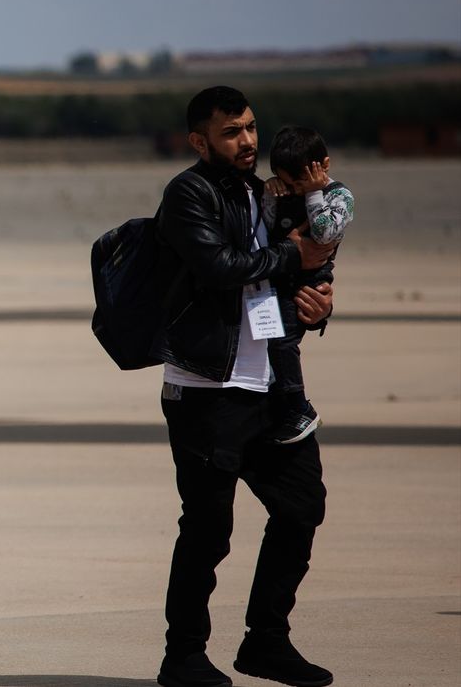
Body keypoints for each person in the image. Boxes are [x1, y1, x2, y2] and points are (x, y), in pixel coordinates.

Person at [152, 86, 337, 687]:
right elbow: (220, 268)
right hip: (207, 387)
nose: (248, 141)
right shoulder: (188, 194)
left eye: (251, 128)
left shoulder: (265, 194)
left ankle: (266, 641)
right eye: (232, 133)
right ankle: (183, 656)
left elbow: (296, 268)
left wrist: (315, 306)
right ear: (199, 141)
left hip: (274, 386)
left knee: (302, 506)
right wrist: (290, 256)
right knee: (208, 528)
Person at [260, 126, 355, 444]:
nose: (295, 190)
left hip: (308, 284)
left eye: (299, 182)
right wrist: (271, 193)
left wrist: (314, 193)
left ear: (323, 166)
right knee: (269, 342)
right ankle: (282, 405)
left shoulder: (340, 196)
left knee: (283, 341)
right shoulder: (283, 190)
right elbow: (265, 228)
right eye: (287, 182)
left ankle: (298, 408)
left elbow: (325, 232)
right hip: (275, 276)